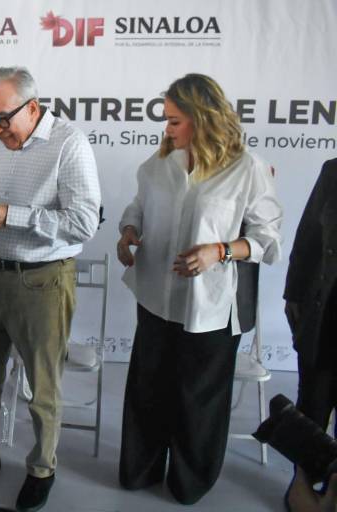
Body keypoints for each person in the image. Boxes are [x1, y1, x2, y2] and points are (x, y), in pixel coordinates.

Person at [115, 73, 283, 505]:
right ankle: (140, 471)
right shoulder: (157, 164)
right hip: (155, 297)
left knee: (198, 401)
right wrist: (128, 231)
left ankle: (190, 482)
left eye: (174, 121)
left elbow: (267, 239)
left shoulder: (248, 170)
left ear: (202, 118)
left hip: (209, 307)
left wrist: (220, 251)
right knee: (147, 390)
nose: (166, 129)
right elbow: (137, 207)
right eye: (166, 120)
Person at [0, 67, 102, 512]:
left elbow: (84, 222)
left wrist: (11, 215)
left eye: (2, 119)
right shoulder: (1, 137)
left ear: (32, 108)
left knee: (42, 385)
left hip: (43, 281)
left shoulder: (69, 144)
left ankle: (41, 468)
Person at [284, 157, 337, 506]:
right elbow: (307, 240)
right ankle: (302, 484)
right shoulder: (333, 172)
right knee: (311, 407)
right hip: (325, 317)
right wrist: (293, 294)